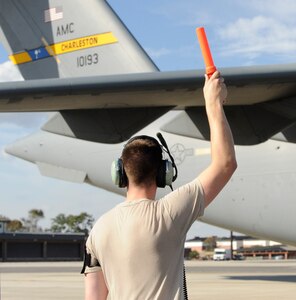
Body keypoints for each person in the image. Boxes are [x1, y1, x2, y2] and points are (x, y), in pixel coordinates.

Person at [82, 70, 237, 300]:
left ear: (120, 174)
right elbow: (225, 163)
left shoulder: (98, 231)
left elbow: (93, 298)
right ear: (164, 173)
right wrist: (213, 102)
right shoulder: (170, 213)